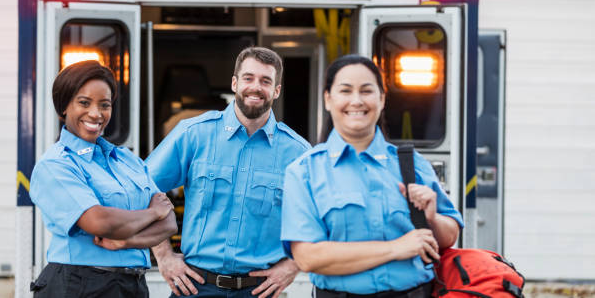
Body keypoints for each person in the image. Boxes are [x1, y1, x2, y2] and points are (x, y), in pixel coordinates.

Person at [281, 55, 464, 298]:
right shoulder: (304, 172)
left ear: (382, 98)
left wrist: (431, 218)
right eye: (345, 91)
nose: (356, 101)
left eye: (366, 91)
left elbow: (450, 235)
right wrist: (396, 248)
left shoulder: (411, 163)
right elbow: (308, 257)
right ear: (328, 99)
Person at [146, 47, 311, 298]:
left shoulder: (297, 152)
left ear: (276, 90)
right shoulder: (194, 134)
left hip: (261, 291)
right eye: (248, 78)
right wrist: (164, 256)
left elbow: (320, 219)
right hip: (194, 287)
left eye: (266, 81)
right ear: (235, 83)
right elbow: (141, 188)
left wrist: (293, 266)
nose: (255, 87)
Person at [29, 60, 177, 298]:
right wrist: (151, 213)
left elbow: (168, 223)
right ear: (64, 106)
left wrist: (124, 242)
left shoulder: (127, 160)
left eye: (104, 105)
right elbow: (98, 222)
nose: (96, 113)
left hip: (133, 285)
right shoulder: (56, 164)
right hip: (79, 285)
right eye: (84, 103)